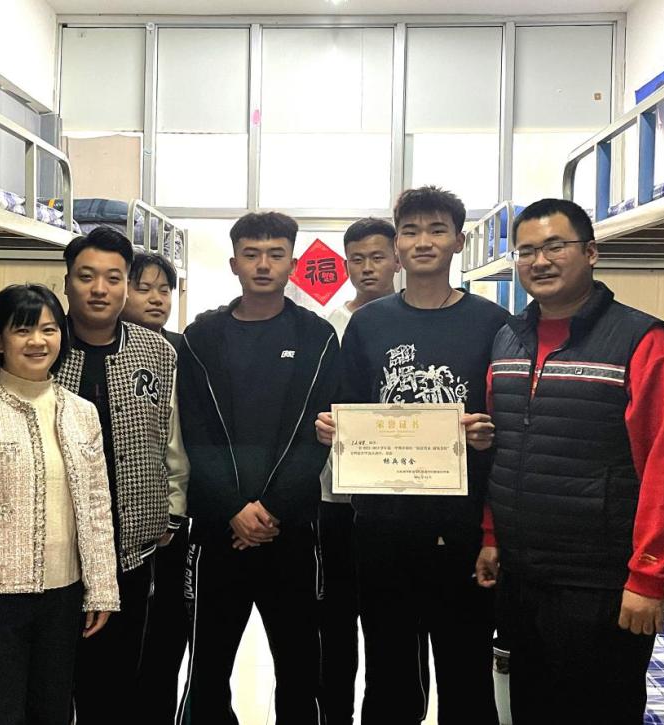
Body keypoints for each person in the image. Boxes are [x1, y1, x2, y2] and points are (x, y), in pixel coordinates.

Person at [473, 198, 664, 723]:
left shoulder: (643, 342)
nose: (539, 261)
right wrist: (491, 535)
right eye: (526, 251)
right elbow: (504, 448)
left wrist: (648, 578)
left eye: (555, 246)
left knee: (600, 709)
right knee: (531, 706)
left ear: (591, 252)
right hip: (522, 575)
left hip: (601, 580)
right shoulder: (507, 340)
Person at [316, 186, 507, 725]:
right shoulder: (369, 324)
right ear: (397, 245)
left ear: (458, 241)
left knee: (466, 670)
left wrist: (488, 434)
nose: (424, 241)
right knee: (389, 670)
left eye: (437, 230)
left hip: (462, 527)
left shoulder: (493, 323)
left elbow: (511, 420)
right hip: (382, 524)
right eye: (411, 231)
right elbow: (350, 406)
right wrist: (332, 429)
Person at [0, 284, 119, 725]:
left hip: (63, 597)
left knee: (51, 712)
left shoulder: (81, 412)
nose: (37, 341)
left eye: (49, 329)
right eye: (22, 330)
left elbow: (96, 506)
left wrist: (102, 586)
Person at [177, 211, 339, 725]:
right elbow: (196, 432)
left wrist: (270, 509)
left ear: (293, 262)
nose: (263, 264)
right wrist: (233, 508)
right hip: (217, 531)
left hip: (290, 531)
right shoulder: (201, 338)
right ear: (234, 263)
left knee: (299, 667)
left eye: (275, 254)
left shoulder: (317, 337)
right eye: (251, 254)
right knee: (207, 668)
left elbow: (317, 437)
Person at [56, 228, 189, 723]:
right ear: (67, 282)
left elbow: (172, 441)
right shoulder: (44, 344)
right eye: (86, 277)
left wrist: (171, 512)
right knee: (53, 679)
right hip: (52, 545)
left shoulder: (158, 353)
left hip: (131, 543)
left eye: (113, 278)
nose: (100, 289)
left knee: (114, 678)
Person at [318, 217, 399, 724]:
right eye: (357, 259)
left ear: (397, 259)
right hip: (335, 496)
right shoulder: (327, 326)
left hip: (398, 497)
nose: (368, 268)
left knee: (396, 626)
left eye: (377, 257)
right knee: (334, 619)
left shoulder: (410, 321)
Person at [120, 250, 190, 723]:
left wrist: (174, 511)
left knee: (169, 623)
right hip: (121, 520)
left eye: (164, 289)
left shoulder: (183, 349)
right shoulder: (95, 349)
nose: (156, 298)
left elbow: (183, 441)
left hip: (172, 519)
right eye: (143, 288)